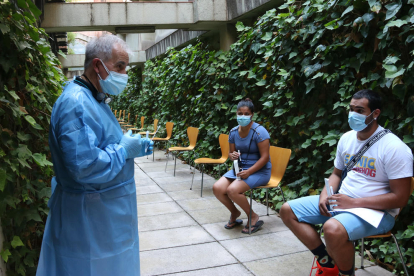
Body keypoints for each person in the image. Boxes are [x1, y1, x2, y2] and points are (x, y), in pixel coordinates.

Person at [36, 35, 153, 276]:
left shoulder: (95, 98)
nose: (125, 73)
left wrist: (133, 148)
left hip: (105, 214)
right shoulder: (76, 103)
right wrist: (123, 150)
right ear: (98, 65)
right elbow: (85, 167)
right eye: (119, 66)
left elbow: (100, 144)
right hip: (89, 219)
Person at [280, 89, 413, 276]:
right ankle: (327, 264)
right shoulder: (346, 138)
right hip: (343, 201)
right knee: (288, 210)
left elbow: (400, 198)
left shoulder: (395, 148)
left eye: (360, 111)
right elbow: (336, 173)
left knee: (332, 229)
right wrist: (325, 195)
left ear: (375, 114)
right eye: (351, 109)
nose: (353, 115)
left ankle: (346, 274)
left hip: (376, 213)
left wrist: (354, 203)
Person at [213, 98, 272, 234]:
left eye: (246, 114)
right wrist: (231, 155)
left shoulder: (259, 132)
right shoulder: (233, 132)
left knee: (232, 190)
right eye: (240, 113)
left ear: (252, 115)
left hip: (259, 171)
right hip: (239, 169)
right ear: (236, 114)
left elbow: (265, 158)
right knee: (217, 188)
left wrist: (249, 172)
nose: (242, 116)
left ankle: (254, 216)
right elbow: (231, 153)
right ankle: (235, 213)